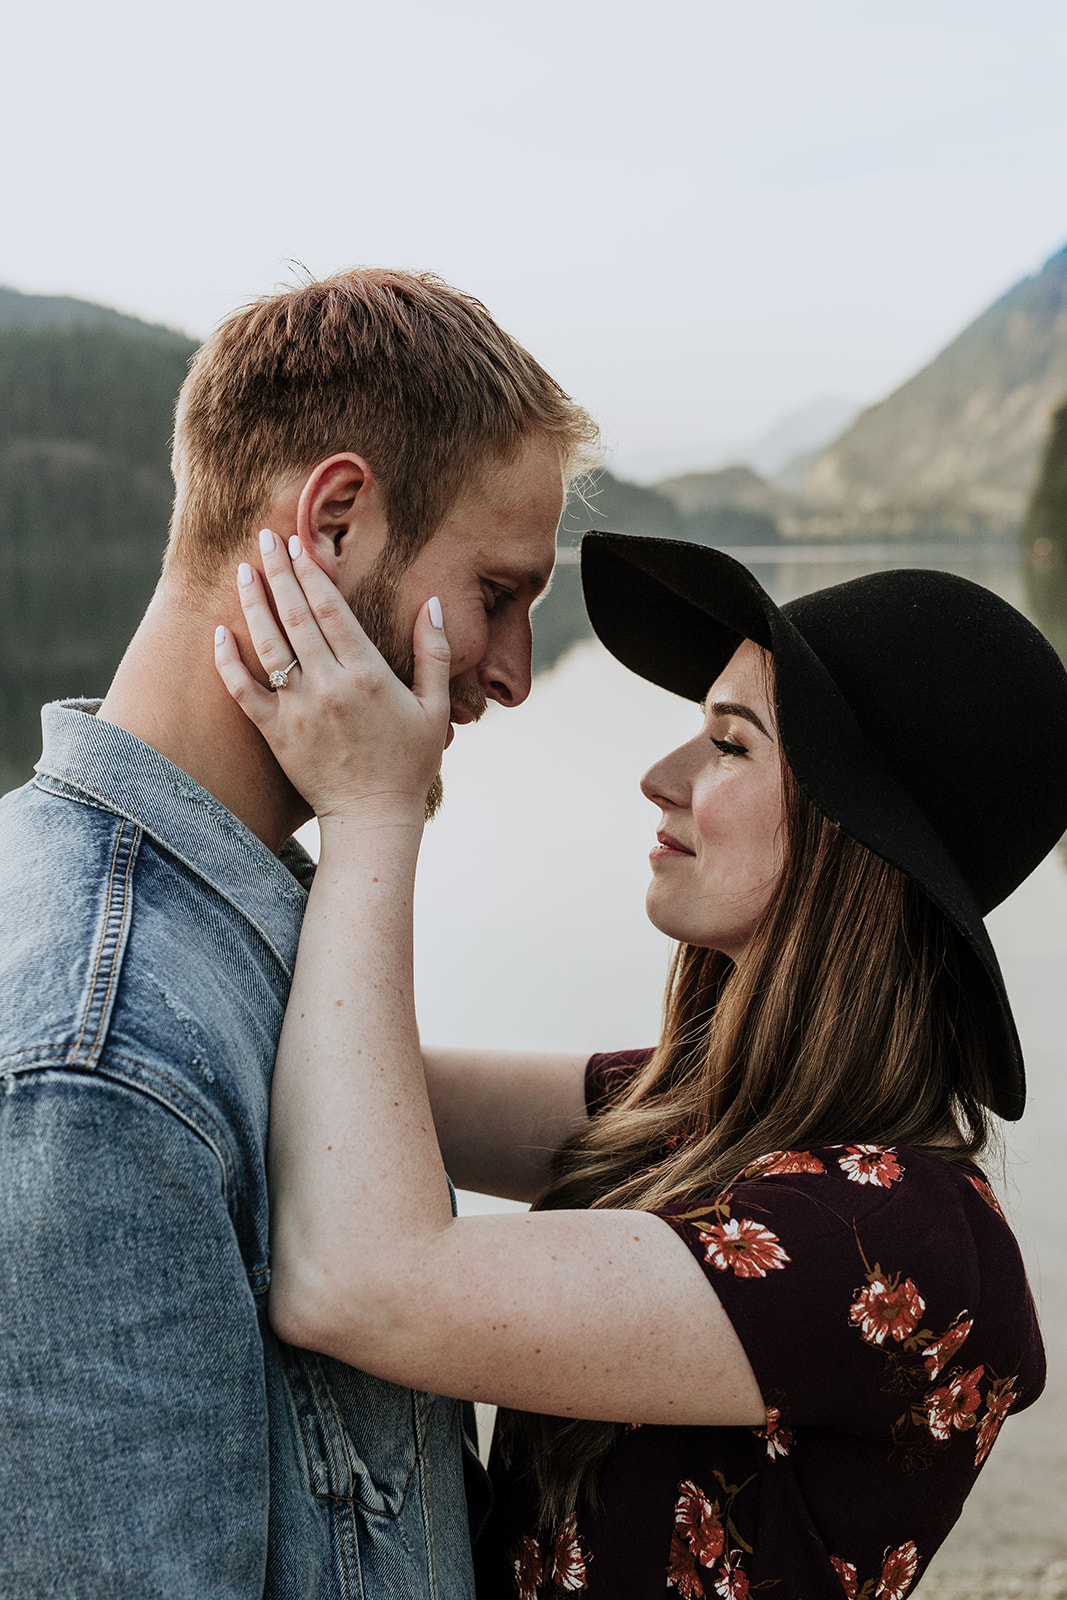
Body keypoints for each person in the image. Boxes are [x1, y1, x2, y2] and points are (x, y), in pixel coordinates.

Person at [215, 526, 1067, 1600]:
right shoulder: (705, 1113)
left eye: (729, 743)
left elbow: (359, 1283)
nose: (658, 777)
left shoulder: (899, 1242)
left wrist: (376, 811)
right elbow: (365, 1095)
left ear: (852, 841)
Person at [0, 267, 596, 1599]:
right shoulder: (101, 1058)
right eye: (496, 592)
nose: (508, 667)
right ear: (332, 522)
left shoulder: (259, 929)